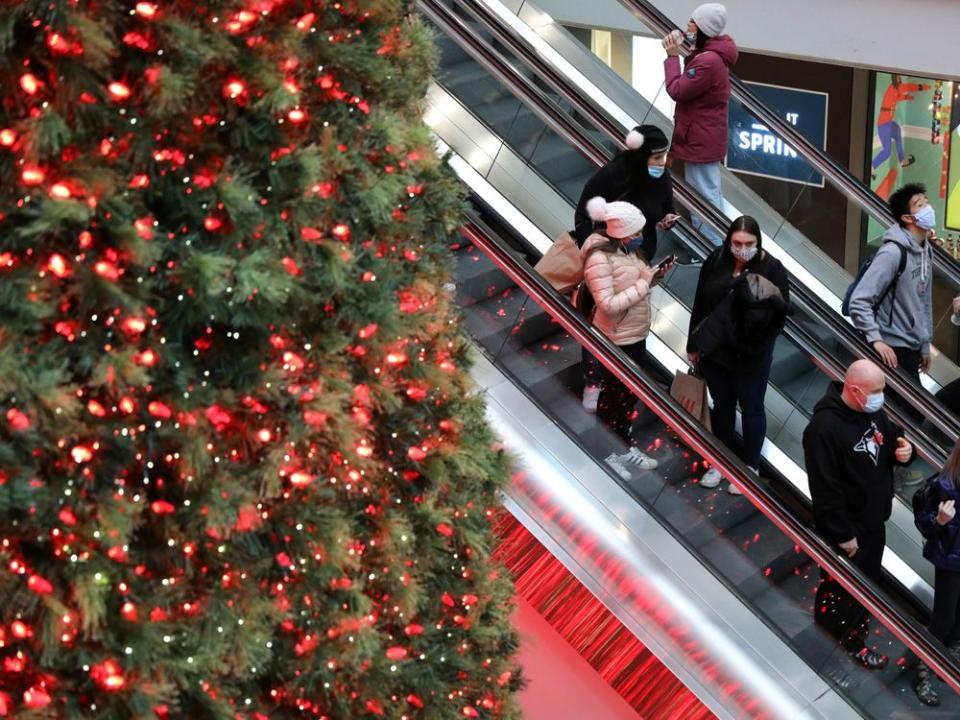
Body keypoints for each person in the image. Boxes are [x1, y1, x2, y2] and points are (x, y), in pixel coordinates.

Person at [803, 359, 914, 671]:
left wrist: (905, 451)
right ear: (854, 391)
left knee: (864, 589)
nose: (882, 397)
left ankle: (853, 639)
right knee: (840, 592)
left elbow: (891, 439)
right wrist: (842, 534)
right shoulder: (823, 430)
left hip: (873, 522)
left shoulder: (872, 410)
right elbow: (825, 487)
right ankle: (834, 648)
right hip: (848, 531)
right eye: (876, 391)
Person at [574, 125, 680, 413]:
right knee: (601, 317)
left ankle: (620, 379)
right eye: (656, 158)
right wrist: (600, 249)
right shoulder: (613, 175)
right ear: (640, 154)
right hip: (609, 257)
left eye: (663, 157)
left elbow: (663, 204)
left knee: (629, 311)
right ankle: (594, 379)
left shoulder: (660, 177)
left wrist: (666, 217)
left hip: (641, 253)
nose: (662, 164)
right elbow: (585, 212)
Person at [686, 216, 790, 494]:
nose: (743, 248)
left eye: (749, 244)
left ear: (758, 243)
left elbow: (781, 315)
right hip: (717, 352)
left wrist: (758, 344)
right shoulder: (716, 261)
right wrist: (693, 345)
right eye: (737, 243)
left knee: (752, 407)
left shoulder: (772, 269)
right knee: (722, 406)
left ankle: (750, 466)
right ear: (728, 241)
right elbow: (700, 303)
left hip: (751, 355)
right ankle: (721, 462)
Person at [581, 196, 670, 478]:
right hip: (615, 339)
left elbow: (638, 281)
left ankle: (622, 445)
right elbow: (607, 304)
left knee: (629, 395)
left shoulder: (628, 253)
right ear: (621, 234)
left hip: (635, 334)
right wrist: (645, 284)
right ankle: (607, 452)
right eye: (636, 233)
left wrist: (653, 277)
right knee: (614, 398)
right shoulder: (599, 259)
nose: (641, 237)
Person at [662, 3, 737, 246]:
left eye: (691, 23)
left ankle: (712, 245)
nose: (687, 28)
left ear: (703, 28)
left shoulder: (708, 62)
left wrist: (673, 57)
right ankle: (717, 241)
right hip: (704, 135)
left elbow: (677, 89)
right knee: (709, 191)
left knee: (703, 195)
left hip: (699, 138)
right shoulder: (711, 57)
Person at [848, 183, 935, 385]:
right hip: (891, 348)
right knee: (913, 412)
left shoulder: (926, 250)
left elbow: (924, 299)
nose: (928, 208)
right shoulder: (892, 253)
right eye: (919, 205)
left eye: (926, 202)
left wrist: (924, 343)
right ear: (907, 218)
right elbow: (859, 301)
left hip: (911, 347)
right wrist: (876, 340)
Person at [912, 438, 960, 706]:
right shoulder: (944, 485)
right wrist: (939, 520)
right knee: (943, 619)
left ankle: (950, 658)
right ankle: (923, 672)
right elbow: (924, 522)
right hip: (950, 562)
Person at [871, 75, 931, 179]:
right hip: (883, 125)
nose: (899, 79)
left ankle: (902, 160)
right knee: (887, 152)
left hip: (888, 123)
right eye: (897, 77)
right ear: (894, 79)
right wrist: (923, 87)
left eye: (899, 77)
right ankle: (871, 167)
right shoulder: (893, 87)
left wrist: (907, 97)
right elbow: (909, 87)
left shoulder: (895, 90)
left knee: (898, 130)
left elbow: (898, 97)